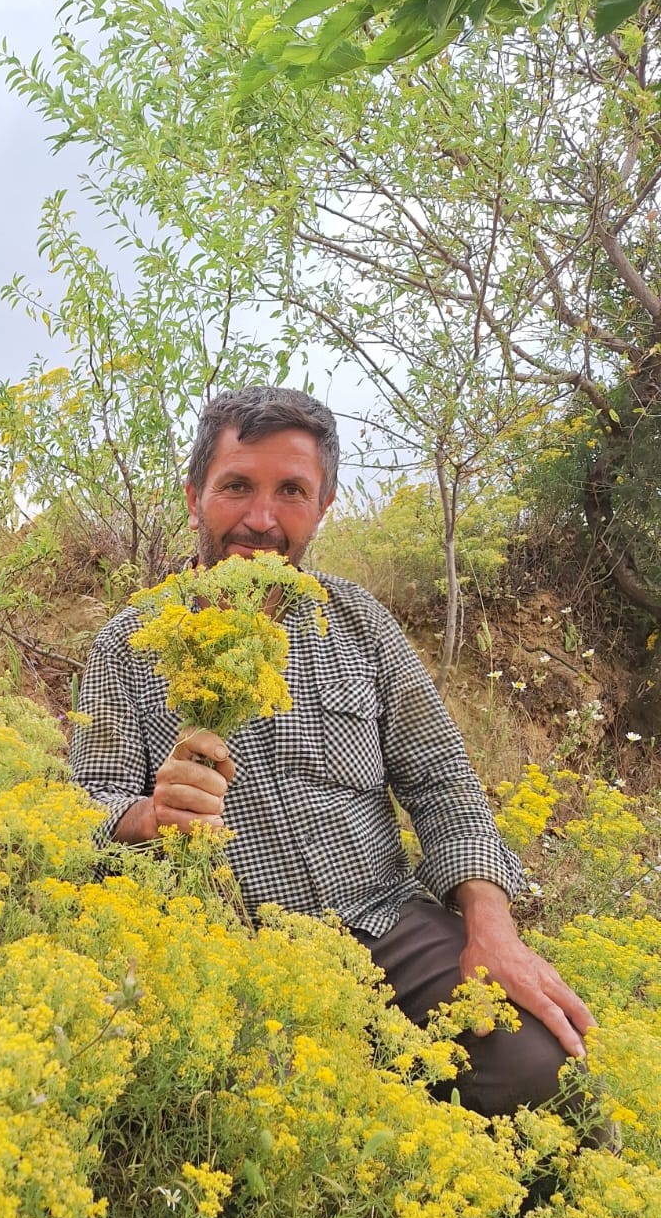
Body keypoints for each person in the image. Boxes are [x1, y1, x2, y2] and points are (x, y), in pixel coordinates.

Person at [70, 385, 597, 1120]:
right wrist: (148, 817)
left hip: (385, 922)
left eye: (291, 491)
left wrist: (492, 930)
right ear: (195, 497)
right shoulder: (129, 645)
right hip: (230, 944)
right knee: (238, 1118)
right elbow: (82, 805)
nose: (261, 519)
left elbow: (443, 780)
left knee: (541, 1065)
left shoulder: (359, 622)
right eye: (236, 487)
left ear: (324, 506)